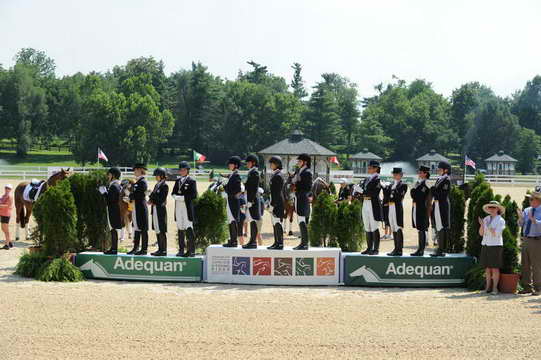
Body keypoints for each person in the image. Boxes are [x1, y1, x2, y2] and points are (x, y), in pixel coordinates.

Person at [478, 201, 506, 295]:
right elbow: (481, 233)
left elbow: (496, 233)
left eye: (493, 207)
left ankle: (495, 288)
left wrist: (488, 226)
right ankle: (487, 288)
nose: (491, 209)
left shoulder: (501, 220)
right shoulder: (486, 219)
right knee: (487, 268)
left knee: (495, 268)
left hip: (495, 245)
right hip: (485, 244)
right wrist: (482, 225)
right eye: (490, 207)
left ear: (498, 209)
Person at [517, 191, 541, 296]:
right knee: (525, 264)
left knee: (536, 265)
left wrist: (534, 220)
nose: (529, 201)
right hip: (526, 239)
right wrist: (521, 218)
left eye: (531, 199)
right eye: (529, 199)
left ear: (538, 200)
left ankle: (538, 288)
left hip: (537, 240)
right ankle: (527, 287)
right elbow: (521, 224)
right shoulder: (527, 210)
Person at [171, 161, 197, 257]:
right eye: (180, 170)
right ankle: (181, 250)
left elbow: (194, 195)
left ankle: (191, 250)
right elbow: (173, 192)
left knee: (188, 227)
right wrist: (175, 196)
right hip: (178, 207)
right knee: (180, 228)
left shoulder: (191, 181)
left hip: (186, 207)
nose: (182, 171)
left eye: (184, 170)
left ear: (187, 170)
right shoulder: (177, 181)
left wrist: (181, 198)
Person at [358, 160, 383, 255]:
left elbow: (374, 192)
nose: (368, 169)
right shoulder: (367, 179)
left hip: (373, 203)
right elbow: (364, 191)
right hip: (365, 202)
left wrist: (362, 191)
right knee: (367, 226)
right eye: (368, 167)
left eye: (370, 167)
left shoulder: (378, 179)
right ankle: (369, 248)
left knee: (374, 226)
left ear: (376, 168)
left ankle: (376, 249)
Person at [98, 168, 123, 255]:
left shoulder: (114, 185)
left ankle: (114, 249)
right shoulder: (115, 185)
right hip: (114, 210)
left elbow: (110, 200)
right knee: (113, 229)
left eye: (109, 175)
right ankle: (113, 248)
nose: (108, 176)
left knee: (113, 229)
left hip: (114, 210)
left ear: (113, 175)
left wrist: (104, 193)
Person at [127, 163, 149, 255]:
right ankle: (135, 248)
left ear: (140, 170)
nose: (134, 172)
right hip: (136, 207)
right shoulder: (137, 182)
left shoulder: (142, 182)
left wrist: (130, 196)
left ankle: (144, 249)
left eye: (135, 170)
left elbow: (139, 194)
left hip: (141, 207)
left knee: (143, 228)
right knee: (136, 227)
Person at [292, 153, 313, 250]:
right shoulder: (300, 171)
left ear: (305, 162)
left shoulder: (307, 172)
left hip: (302, 197)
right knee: (300, 220)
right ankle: (303, 242)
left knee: (302, 220)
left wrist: (297, 183)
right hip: (298, 197)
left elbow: (308, 187)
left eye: (300, 161)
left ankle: (304, 243)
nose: (298, 163)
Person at [431, 161, 451, 257]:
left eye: (440, 169)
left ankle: (442, 249)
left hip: (442, 205)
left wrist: (434, 192)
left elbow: (443, 194)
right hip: (437, 204)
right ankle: (439, 247)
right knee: (438, 226)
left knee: (442, 226)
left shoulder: (446, 180)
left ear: (445, 170)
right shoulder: (439, 179)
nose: (438, 170)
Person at [387, 168, 408, 256]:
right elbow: (388, 196)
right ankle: (395, 248)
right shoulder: (392, 184)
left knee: (398, 227)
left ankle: (399, 249)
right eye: (394, 174)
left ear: (401, 175)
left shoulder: (403, 185)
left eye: (397, 174)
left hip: (397, 207)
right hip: (391, 206)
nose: (395, 176)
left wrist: (394, 188)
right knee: (393, 228)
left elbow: (399, 196)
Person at [410, 165, 431, 256]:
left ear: (425, 173)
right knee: (419, 229)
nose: (419, 173)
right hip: (418, 207)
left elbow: (418, 196)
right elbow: (413, 195)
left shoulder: (426, 184)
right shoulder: (419, 183)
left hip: (422, 208)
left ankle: (421, 250)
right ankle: (420, 249)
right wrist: (414, 191)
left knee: (422, 228)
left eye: (421, 172)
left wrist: (414, 190)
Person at [243, 154, 262, 249]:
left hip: (253, 200)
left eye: (248, 162)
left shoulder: (254, 173)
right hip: (250, 199)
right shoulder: (250, 172)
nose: (247, 164)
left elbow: (254, 188)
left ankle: (253, 241)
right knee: (251, 220)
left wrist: (250, 200)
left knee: (253, 220)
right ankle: (252, 240)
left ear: (253, 163)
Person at [149, 168, 169, 256]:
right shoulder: (156, 185)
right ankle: (159, 249)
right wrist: (150, 199)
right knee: (157, 229)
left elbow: (161, 199)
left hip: (160, 210)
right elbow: (154, 196)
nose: (155, 177)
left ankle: (163, 250)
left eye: (157, 176)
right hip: (155, 209)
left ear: (161, 176)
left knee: (161, 230)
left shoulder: (165, 186)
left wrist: (151, 197)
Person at [223, 156, 242, 247]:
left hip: (233, 201)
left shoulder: (236, 175)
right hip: (230, 200)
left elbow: (238, 189)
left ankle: (234, 241)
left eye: (231, 164)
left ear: (236, 165)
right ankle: (232, 239)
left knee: (233, 220)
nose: (229, 165)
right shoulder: (232, 175)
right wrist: (225, 186)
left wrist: (227, 191)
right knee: (230, 220)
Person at [267, 156, 286, 250]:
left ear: (277, 164)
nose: (270, 165)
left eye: (272, 163)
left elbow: (277, 193)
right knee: (274, 223)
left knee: (277, 223)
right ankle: (276, 242)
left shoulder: (278, 176)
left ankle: (280, 243)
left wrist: (272, 205)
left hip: (277, 203)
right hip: (275, 202)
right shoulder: (275, 174)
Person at [0, 184, 14, 250]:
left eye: (8, 188)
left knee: (6, 230)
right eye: (6, 188)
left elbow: (8, 205)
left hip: (6, 214)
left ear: (10, 189)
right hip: (2, 214)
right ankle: (10, 242)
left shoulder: (10, 197)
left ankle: (7, 244)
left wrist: (0, 206)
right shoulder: (3, 196)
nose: (6, 189)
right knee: (3, 229)